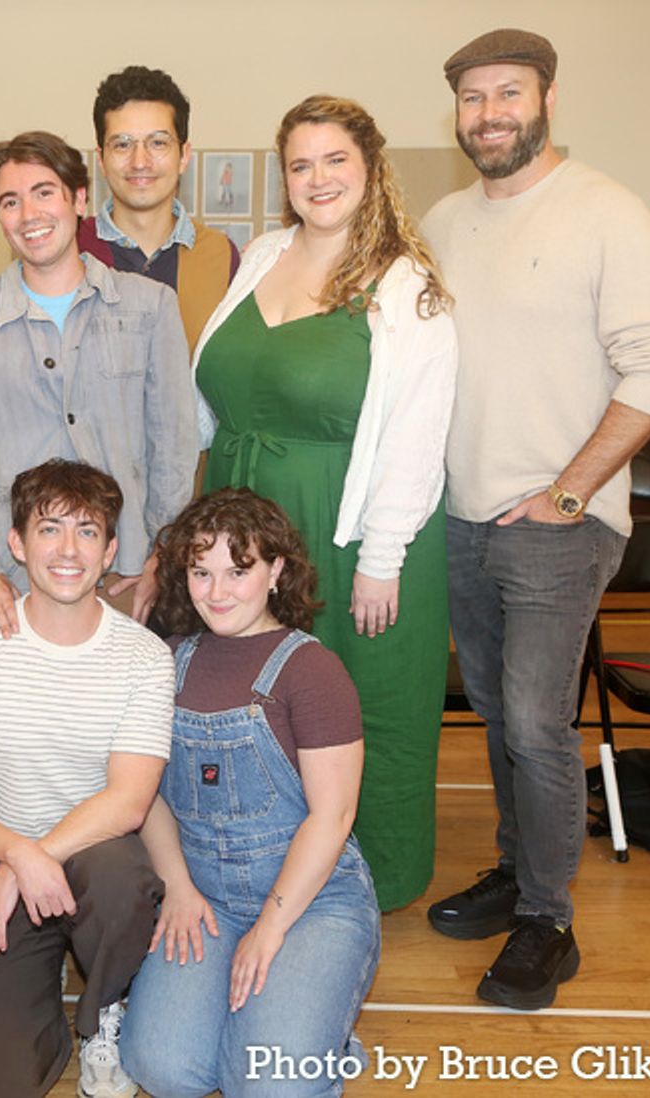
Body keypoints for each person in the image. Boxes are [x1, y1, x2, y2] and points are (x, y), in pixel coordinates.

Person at [421, 28, 650, 1010]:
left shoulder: (605, 213)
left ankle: (547, 918)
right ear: (455, 112)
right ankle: (514, 867)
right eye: (471, 98)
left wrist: (569, 491)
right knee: (496, 713)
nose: (489, 113)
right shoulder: (445, 221)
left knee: (535, 723)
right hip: (460, 519)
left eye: (508, 93)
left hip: (555, 520)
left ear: (544, 100)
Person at [190, 95, 457, 911]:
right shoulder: (264, 254)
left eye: (335, 160)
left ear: (371, 170)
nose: (318, 178)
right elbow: (216, 391)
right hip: (246, 519)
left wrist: (382, 560)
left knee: (358, 694)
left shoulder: (409, 287)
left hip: (350, 528)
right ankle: (264, 853)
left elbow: (417, 435)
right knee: (253, 694)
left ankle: (368, 875)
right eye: (300, 164)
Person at [0, 459, 173, 1098]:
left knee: (123, 884)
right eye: (50, 529)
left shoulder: (143, 656)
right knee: (3, 1084)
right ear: (16, 543)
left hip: (95, 855)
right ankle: (44, 1005)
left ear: (111, 549)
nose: (68, 550)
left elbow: (129, 802)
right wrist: (11, 855)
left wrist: (28, 861)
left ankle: (102, 1012)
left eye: (87, 533)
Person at [120, 488, 380, 1098]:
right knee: (163, 1069)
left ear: (276, 571)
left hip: (312, 900)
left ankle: (323, 1036)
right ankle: (282, 1020)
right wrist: (179, 888)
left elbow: (333, 814)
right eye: (201, 572)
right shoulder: (168, 661)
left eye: (238, 571)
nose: (217, 592)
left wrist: (269, 928)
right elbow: (149, 797)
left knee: (269, 1084)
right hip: (206, 897)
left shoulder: (313, 670)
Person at [0, 131, 197, 636]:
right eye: (11, 201)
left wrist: (163, 551)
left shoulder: (150, 307)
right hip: (2, 584)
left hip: (125, 575)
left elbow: (174, 444)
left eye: (44, 192)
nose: (29, 214)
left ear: (79, 198)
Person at [78, 65, 239, 353]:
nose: (140, 161)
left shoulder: (221, 256)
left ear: (184, 155)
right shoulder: (71, 249)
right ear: (101, 159)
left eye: (158, 143)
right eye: (122, 144)